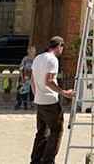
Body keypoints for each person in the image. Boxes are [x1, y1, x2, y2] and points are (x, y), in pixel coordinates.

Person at [29, 35, 75, 164]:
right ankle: (48, 160)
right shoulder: (53, 60)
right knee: (56, 130)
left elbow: (32, 79)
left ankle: (35, 160)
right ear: (59, 46)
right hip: (50, 101)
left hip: (39, 100)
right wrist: (64, 92)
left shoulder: (38, 58)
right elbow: (48, 81)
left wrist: (37, 94)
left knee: (42, 132)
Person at [17, 45, 36, 110]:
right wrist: (22, 78)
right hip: (25, 77)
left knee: (32, 92)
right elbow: (21, 68)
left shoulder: (36, 59)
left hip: (33, 78)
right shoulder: (25, 59)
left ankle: (31, 104)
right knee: (21, 91)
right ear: (28, 51)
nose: (31, 52)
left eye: (33, 51)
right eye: (30, 50)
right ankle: (20, 103)